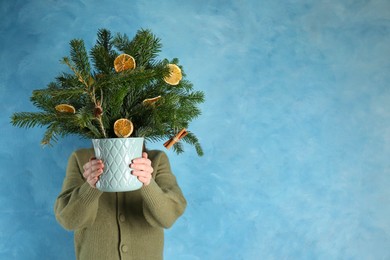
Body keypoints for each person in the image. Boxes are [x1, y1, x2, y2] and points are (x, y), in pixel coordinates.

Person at [54, 146, 187, 260]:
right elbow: (68, 220)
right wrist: (91, 186)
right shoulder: (80, 158)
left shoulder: (157, 159)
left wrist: (148, 183)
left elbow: (168, 218)